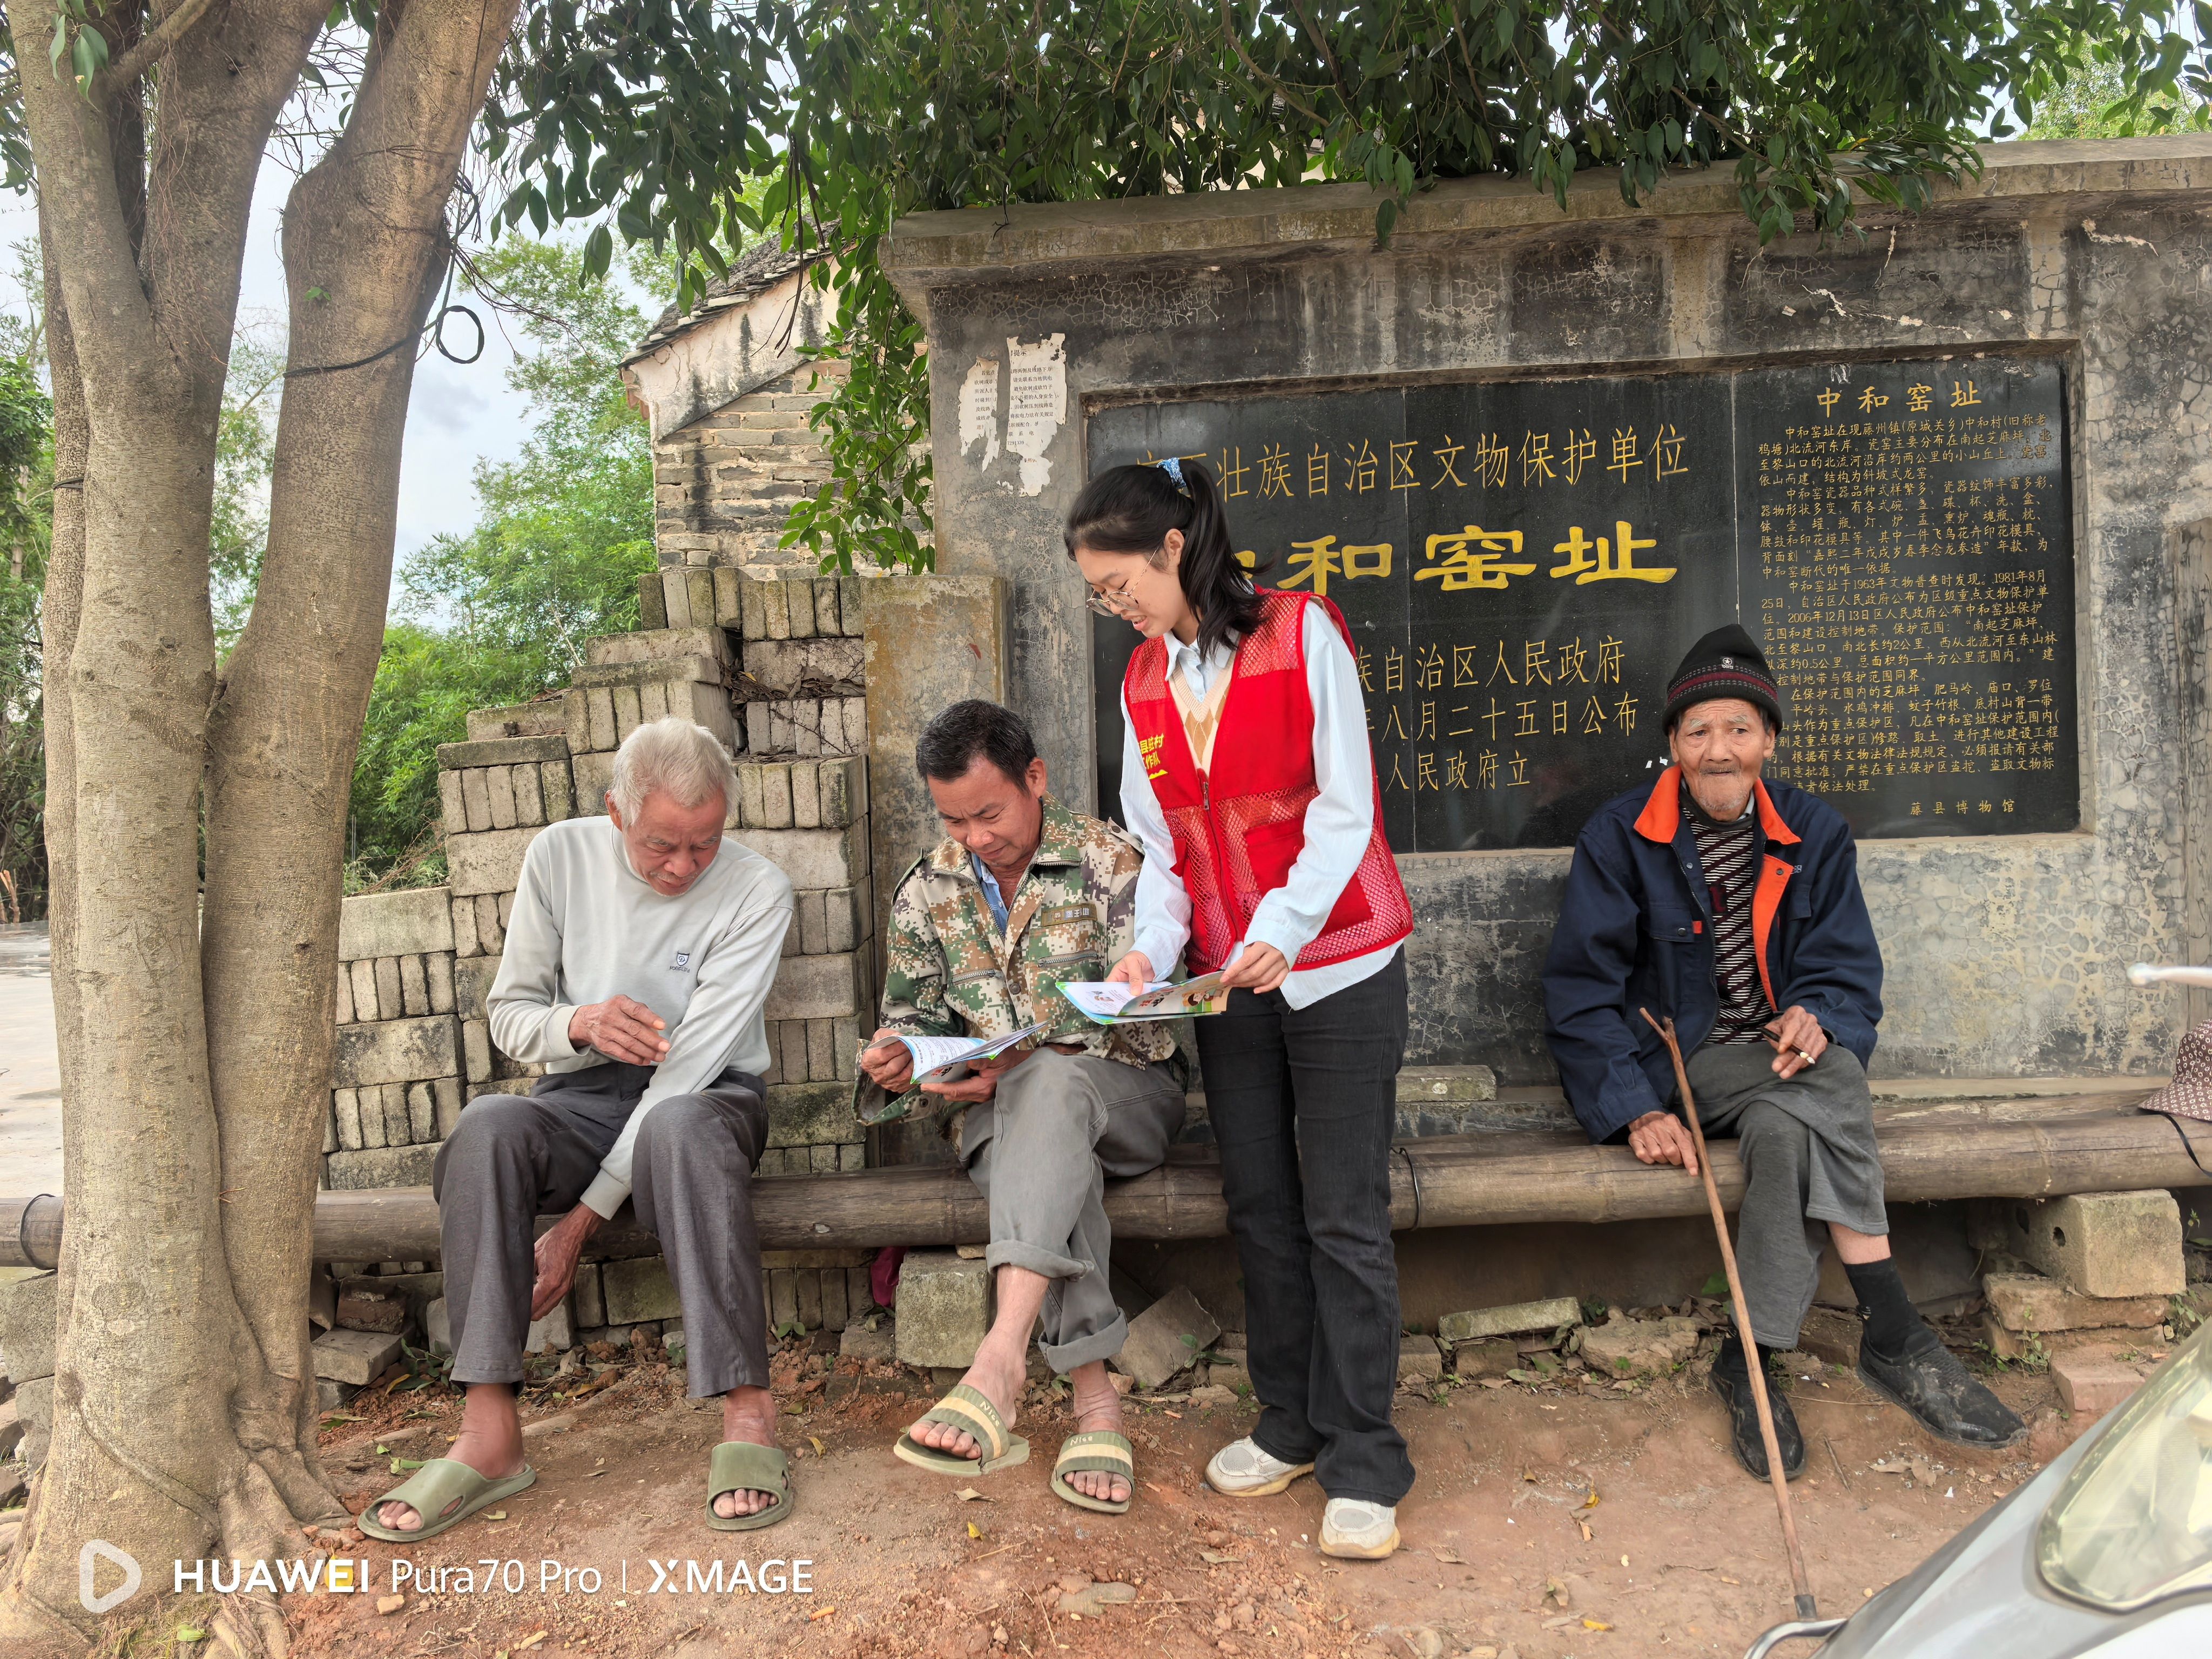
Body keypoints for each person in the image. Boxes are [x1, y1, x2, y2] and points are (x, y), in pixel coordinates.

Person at [1542, 625, 2025, 1479]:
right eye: (1697, 732)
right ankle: (1894, 1328)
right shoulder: (1620, 838)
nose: (1718, 750)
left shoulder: (1816, 832)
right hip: (1679, 1063)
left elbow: (1846, 969)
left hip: (1777, 1068)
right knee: (1834, 1078)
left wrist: (1819, 1015)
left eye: (1738, 729)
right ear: (1673, 748)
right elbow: (1581, 989)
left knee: (1787, 1130)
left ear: (1768, 739)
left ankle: (1753, 1360)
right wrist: (1636, 1107)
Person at [1070, 456, 1417, 1562]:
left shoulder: (1301, 629)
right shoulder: (1139, 686)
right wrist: (1146, 956)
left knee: (1342, 1211)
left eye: (1117, 580)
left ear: (1173, 547)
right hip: (1227, 977)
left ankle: (1364, 1453)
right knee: (1259, 1205)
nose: (1111, 604)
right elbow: (1164, 853)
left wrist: (1285, 927)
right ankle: (1290, 1420)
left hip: (1338, 962)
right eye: (1095, 592)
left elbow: (1343, 808)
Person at [362, 717, 798, 1541]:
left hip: (708, 1098)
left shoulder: (757, 889)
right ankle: (488, 1431)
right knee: (487, 1128)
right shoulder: (557, 857)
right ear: (614, 814)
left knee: (677, 1127)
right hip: (579, 1094)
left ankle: (749, 1416)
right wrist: (580, 1024)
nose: (683, 866)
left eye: (704, 844)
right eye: (662, 844)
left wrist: (582, 1220)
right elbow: (509, 1015)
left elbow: (691, 1065)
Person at [858, 700, 1185, 1514]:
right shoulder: (926, 889)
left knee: (1049, 1080)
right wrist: (906, 1069)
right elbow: (915, 1025)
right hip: (999, 1123)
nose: (974, 837)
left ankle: (1000, 1354)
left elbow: (1153, 1027)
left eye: (989, 813)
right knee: (1031, 1130)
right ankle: (1091, 1397)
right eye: (954, 819)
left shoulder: (1112, 862)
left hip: (1128, 1102)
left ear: (1035, 779)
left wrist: (1037, 1056)